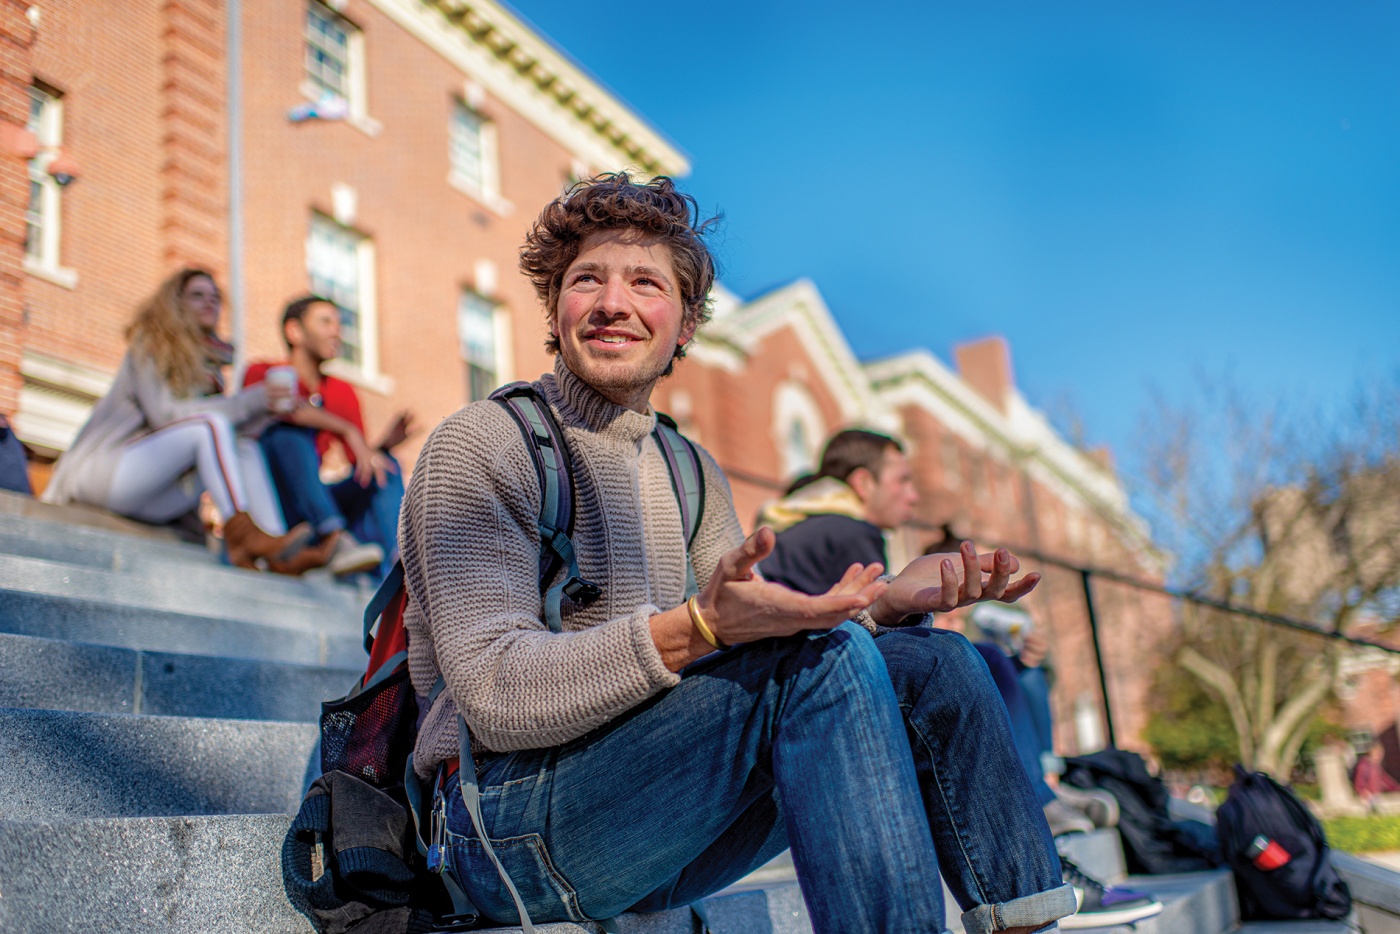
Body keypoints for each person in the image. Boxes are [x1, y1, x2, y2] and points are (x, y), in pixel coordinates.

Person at [400, 173, 1077, 933]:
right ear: (555, 310)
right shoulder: (483, 444)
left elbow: (752, 631)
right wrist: (697, 629)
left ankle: (1029, 921)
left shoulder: (690, 472)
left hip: (655, 808)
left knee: (938, 664)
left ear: (685, 325)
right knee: (815, 666)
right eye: (586, 278)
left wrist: (881, 603)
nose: (612, 303)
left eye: (645, 283)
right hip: (503, 827)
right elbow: (493, 695)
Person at [761, 430, 1161, 927]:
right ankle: (1037, 820)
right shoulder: (847, 532)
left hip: (802, 688)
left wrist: (896, 609)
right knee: (955, 658)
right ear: (863, 483)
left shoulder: (801, 527)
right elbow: (846, 643)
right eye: (903, 480)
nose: (912, 495)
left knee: (1011, 666)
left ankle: (1042, 803)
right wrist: (900, 612)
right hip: (805, 707)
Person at [42, 268, 310, 571]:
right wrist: (249, 401)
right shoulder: (149, 344)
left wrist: (266, 410)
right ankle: (243, 535)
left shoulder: (208, 367)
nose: (209, 303)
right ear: (175, 303)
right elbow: (165, 415)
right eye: (197, 295)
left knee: (243, 444)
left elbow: (218, 435)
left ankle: (276, 551)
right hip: (105, 475)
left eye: (215, 297)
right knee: (211, 425)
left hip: (151, 497)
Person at [243, 296, 411, 578]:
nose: (337, 331)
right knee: (286, 432)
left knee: (386, 465)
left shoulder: (341, 391)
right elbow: (285, 411)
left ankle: (401, 567)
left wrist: (379, 449)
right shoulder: (263, 372)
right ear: (294, 331)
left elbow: (360, 462)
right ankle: (335, 538)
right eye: (325, 322)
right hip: (276, 499)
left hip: (316, 499)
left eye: (338, 323)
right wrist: (346, 429)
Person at [1353, 742, 1400, 808]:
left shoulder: (1377, 765)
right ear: (1371, 753)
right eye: (1377, 754)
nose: (1380, 756)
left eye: (1381, 754)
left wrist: (1396, 788)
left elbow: (1386, 780)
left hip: (1376, 795)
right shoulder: (1363, 766)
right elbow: (1359, 782)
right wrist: (1363, 792)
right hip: (1368, 797)